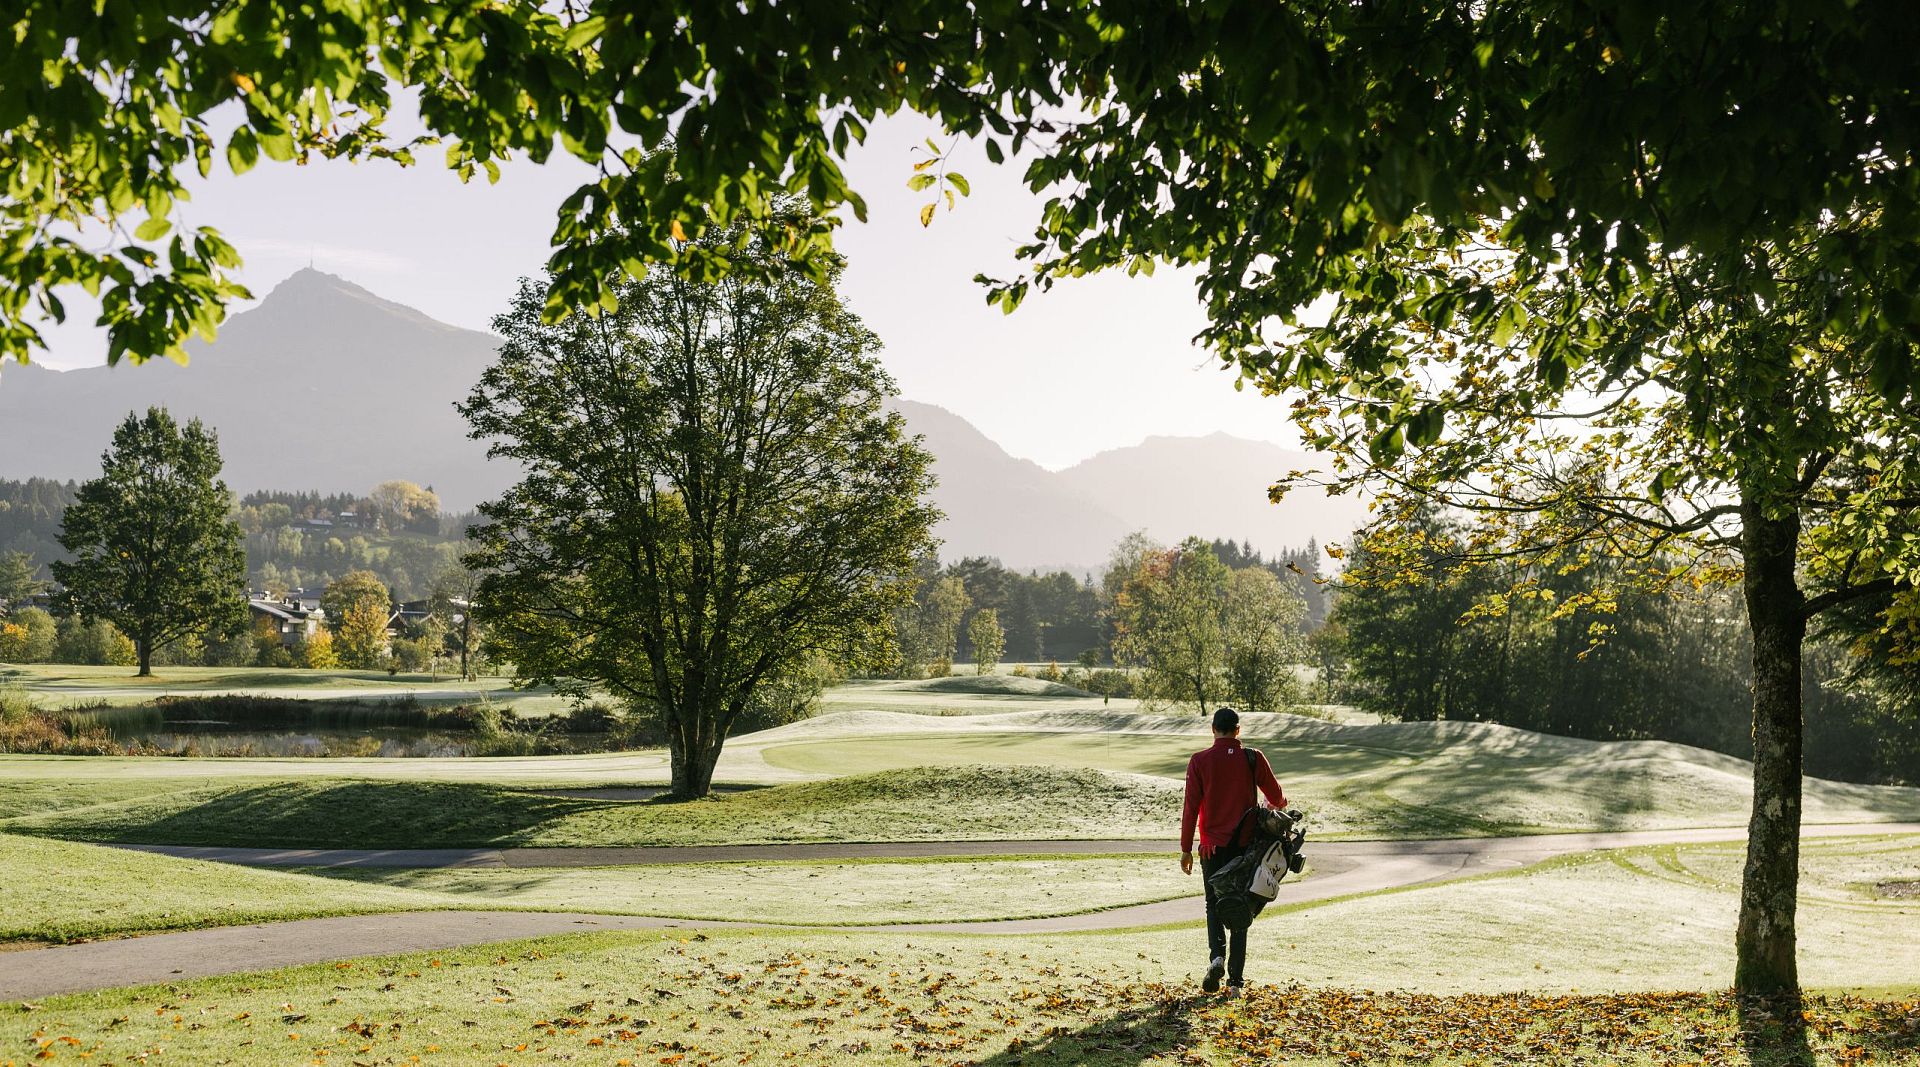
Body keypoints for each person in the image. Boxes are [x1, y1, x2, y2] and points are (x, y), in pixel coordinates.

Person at [1180, 705, 1286, 998]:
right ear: (1238, 730)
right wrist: (1273, 805)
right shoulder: (1253, 757)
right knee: (1242, 906)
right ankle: (1235, 984)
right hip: (1245, 850)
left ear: (1213, 730)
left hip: (1211, 849)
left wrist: (1186, 849)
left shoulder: (1199, 760)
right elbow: (1277, 797)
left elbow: (1190, 808)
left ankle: (1216, 957)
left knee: (1213, 902)